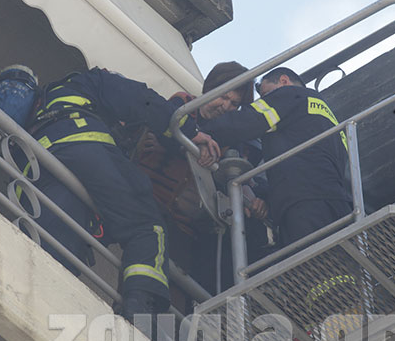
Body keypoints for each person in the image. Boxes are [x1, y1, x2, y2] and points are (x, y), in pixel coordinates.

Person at [27, 67, 219, 321]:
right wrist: (190, 132)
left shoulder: (50, 99)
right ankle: (140, 309)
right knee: (147, 226)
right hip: (84, 142)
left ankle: (43, 280)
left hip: (38, 162)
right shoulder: (96, 80)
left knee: (66, 216)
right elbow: (139, 99)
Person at [134, 61, 269, 293]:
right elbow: (162, 126)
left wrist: (256, 201)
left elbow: (237, 178)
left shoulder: (231, 140)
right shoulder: (183, 104)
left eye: (234, 104)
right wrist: (189, 145)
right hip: (144, 199)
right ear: (211, 88)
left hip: (183, 226)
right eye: (224, 97)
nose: (226, 106)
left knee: (174, 286)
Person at [200, 67, 351, 248]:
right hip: (338, 203)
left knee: (306, 260)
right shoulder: (329, 120)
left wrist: (199, 133)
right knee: (332, 261)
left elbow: (247, 121)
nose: (265, 101)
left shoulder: (292, 94)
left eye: (266, 95)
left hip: (303, 204)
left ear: (284, 81)